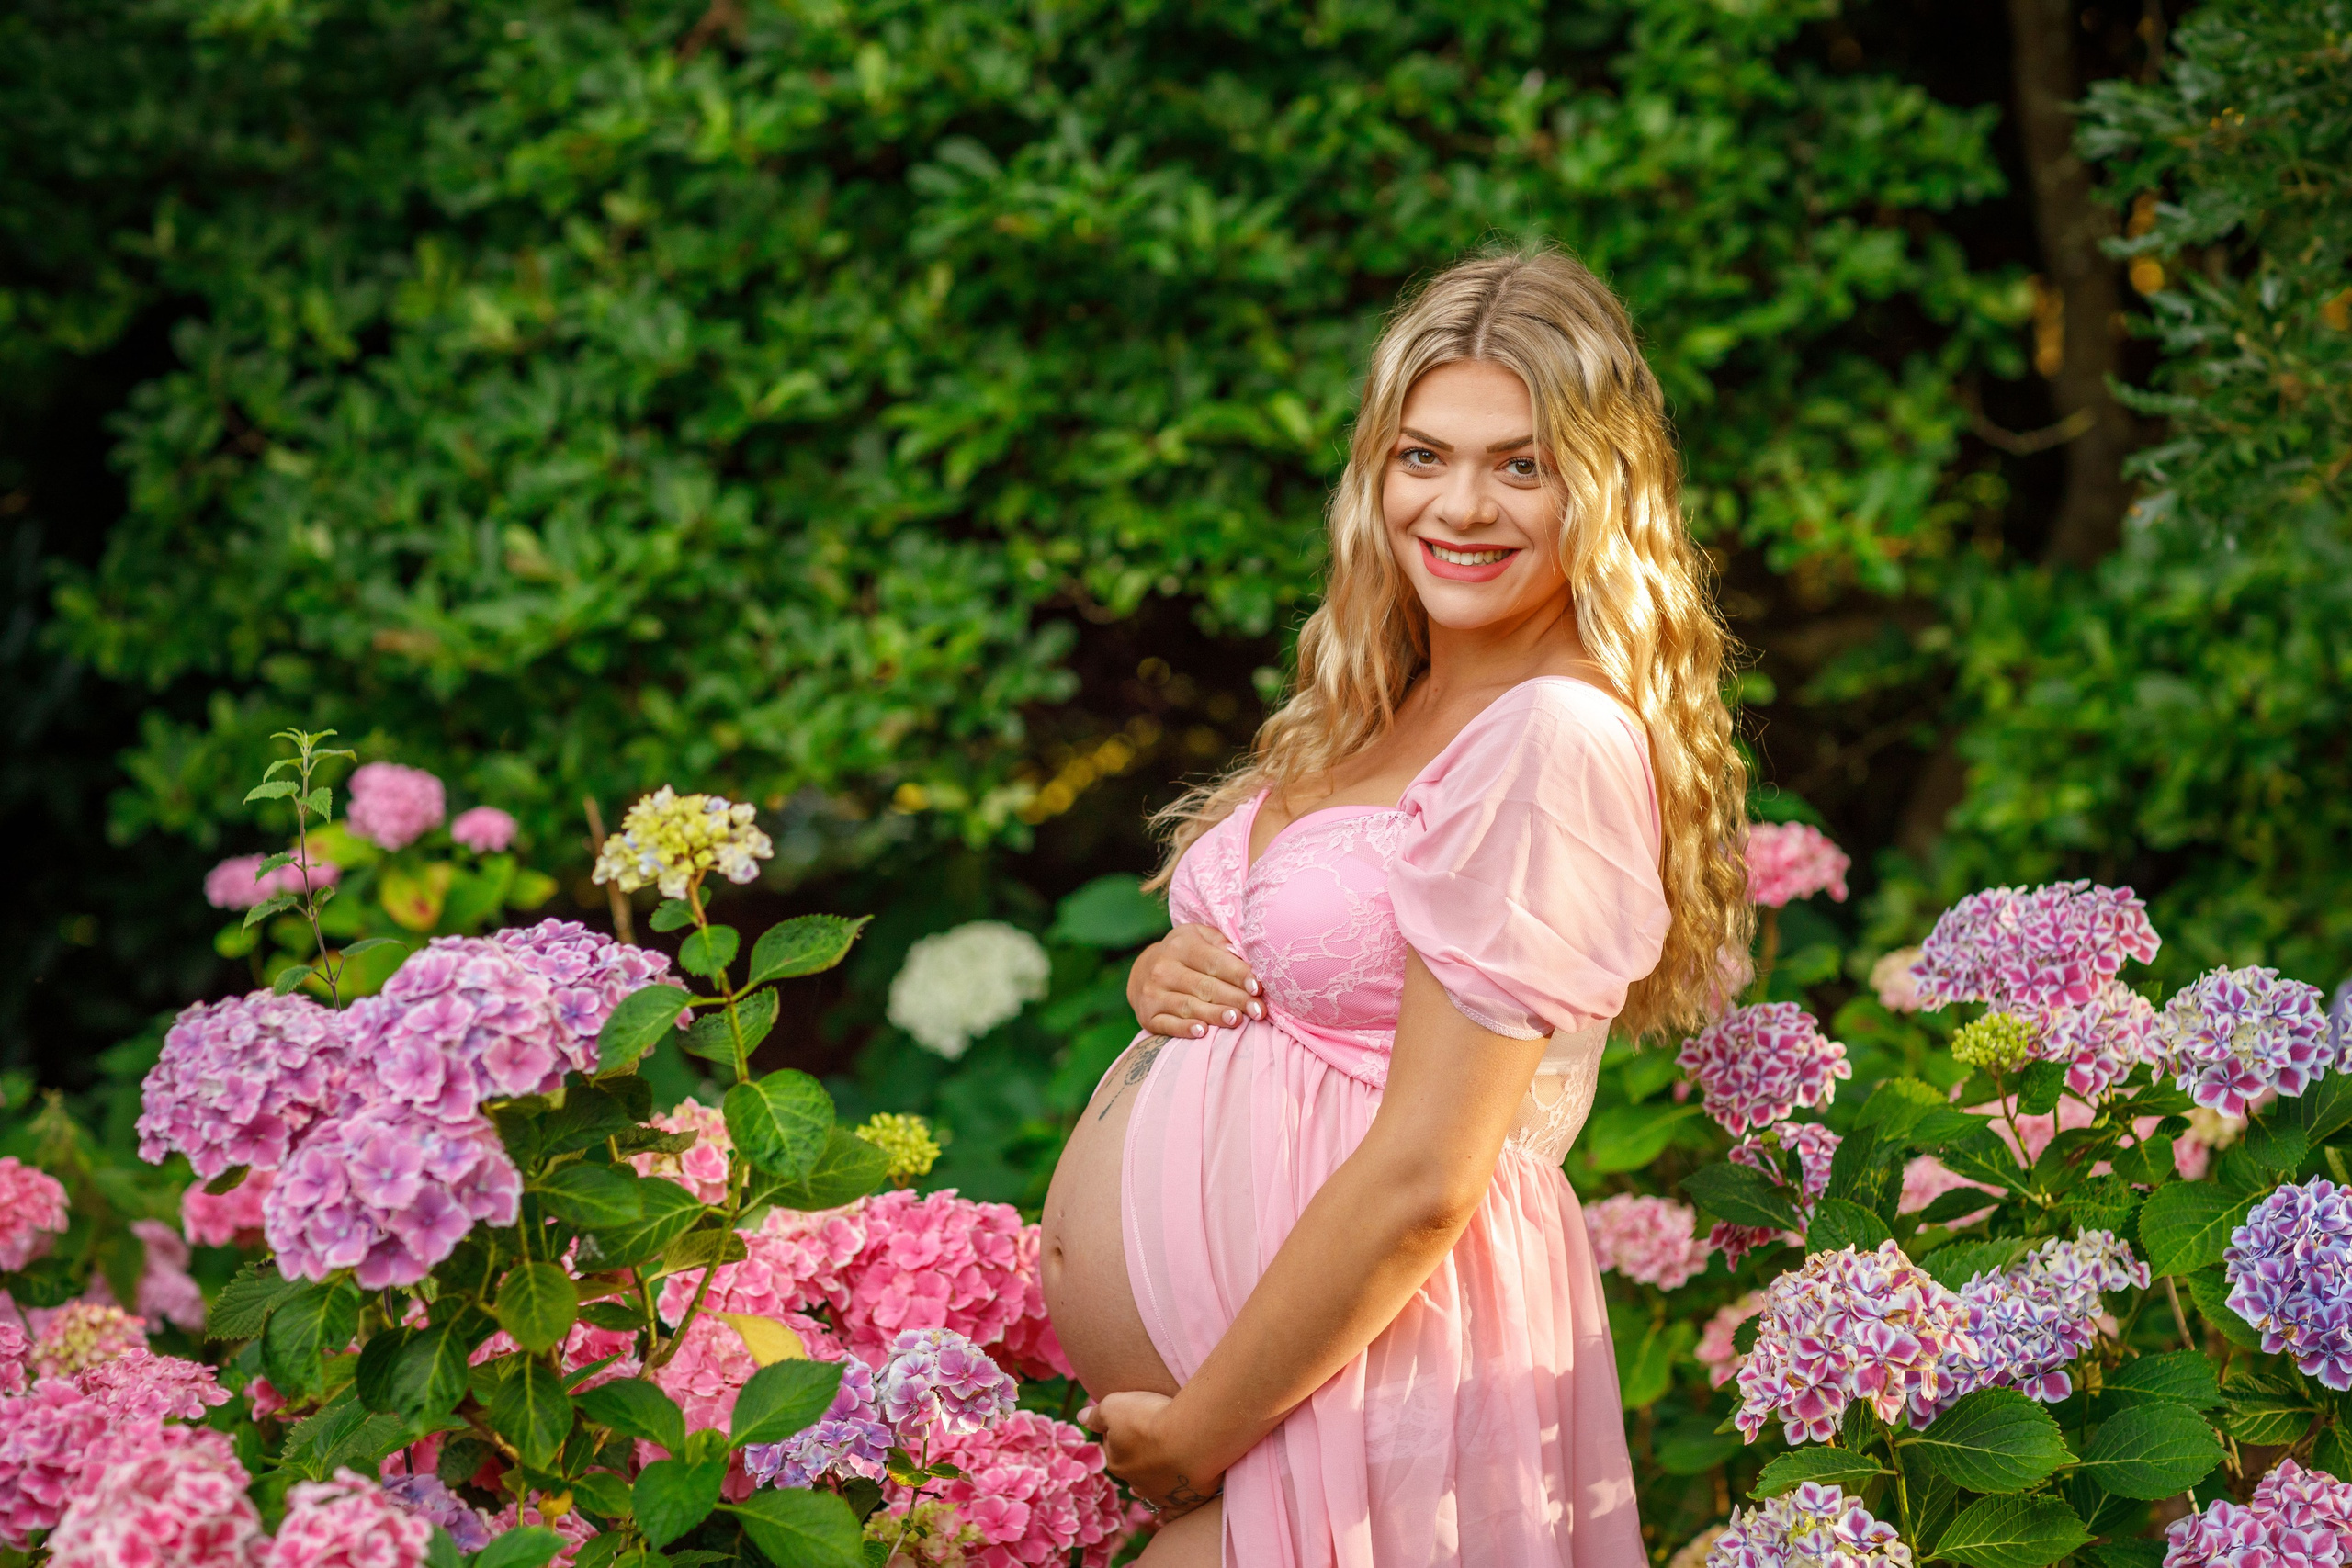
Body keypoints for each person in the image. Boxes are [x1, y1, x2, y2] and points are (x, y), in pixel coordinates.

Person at [1038, 246, 1751, 1566]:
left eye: (1522, 465)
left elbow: (1431, 1171)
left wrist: (1196, 1430)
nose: (1461, 505)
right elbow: (1318, 970)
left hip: (1362, 1387)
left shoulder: (1549, 737)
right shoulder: (1383, 699)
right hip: (1271, 1400)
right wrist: (1167, 980)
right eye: (1424, 456)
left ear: (1604, 487)